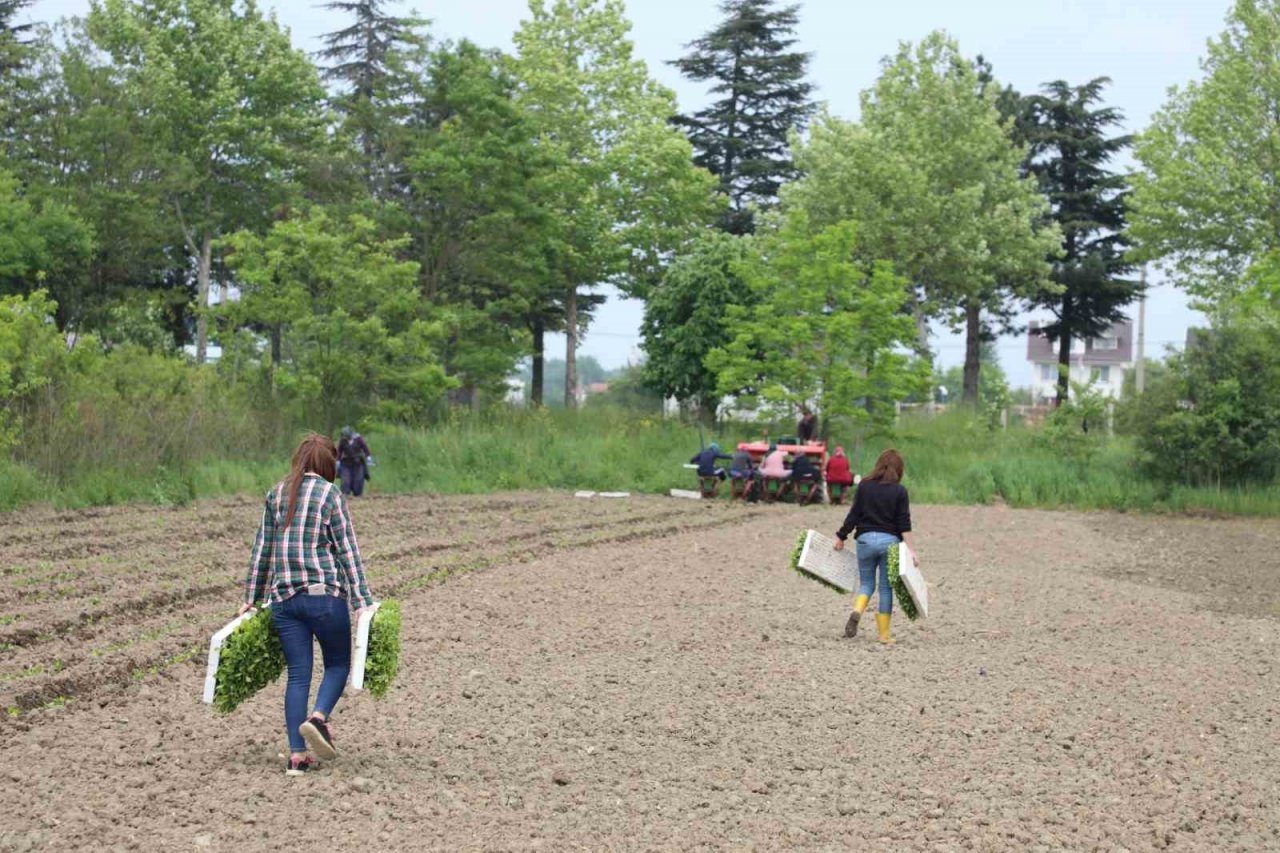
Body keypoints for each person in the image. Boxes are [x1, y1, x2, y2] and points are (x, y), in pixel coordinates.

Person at [241, 433, 377, 775]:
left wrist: (251, 599)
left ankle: (297, 757)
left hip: (284, 601)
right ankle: (318, 718)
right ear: (328, 464)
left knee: (298, 675)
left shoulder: (277, 493)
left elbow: (263, 551)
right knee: (336, 664)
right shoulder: (330, 494)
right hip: (323, 598)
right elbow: (347, 551)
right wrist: (362, 601)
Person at [832, 449, 918, 645]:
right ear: (899, 469)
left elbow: (853, 515)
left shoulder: (864, 486)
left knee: (867, 585)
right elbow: (904, 522)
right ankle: (884, 636)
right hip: (890, 543)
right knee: (886, 589)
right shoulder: (900, 491)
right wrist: (911, 550)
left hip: (865, 541)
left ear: (878, 465)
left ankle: (857, 611)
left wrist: (841, 536)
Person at [337, 426, 373, 497]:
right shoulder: (342, 441)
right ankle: (345, 496)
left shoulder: (358, 439)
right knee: (345, 481)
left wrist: (368, 457)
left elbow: (365, 448)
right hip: (346, 463)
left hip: (358, 463)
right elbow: (339, 451)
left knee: (358, 482)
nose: (345, 438)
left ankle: (358, 496)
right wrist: (337, 461)